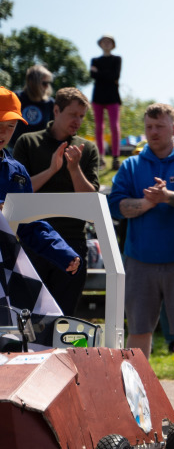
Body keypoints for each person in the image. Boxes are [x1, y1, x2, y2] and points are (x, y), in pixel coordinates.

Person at [107, 103, 174, 380]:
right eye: (149, 127)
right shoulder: (131, 165)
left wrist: (168, 197)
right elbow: (114, 205)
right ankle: (137, 400)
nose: (153, 132)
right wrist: (147, 202)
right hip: (140, 261)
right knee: (139, 331)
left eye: (160, 126)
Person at [13, 87, 99, 315]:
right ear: (56, 110)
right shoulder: (27, 142)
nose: (78, 121)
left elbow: (91, 201)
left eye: (82, 116)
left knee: (64, 318)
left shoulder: (86, 148)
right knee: (27, 317)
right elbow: (17, 193)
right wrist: (52, 169)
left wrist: (73, 169)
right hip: (32, 241)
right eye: (73, 114)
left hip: (72, 242)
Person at [0, 87, 81, 280]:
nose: (4, 132)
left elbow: (30, 222)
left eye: (11, 125)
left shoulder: (16, 171)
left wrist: (63, 253)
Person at [89, 34, 122, 169]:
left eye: (109, 41)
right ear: (100, 44)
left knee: (114, 126)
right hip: (98, 97)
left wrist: (100, 73)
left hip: (113, 97)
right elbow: (93, 75)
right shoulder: (95, 60)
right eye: (104, 41)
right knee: (99, 127)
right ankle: (100, 157)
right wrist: (106, 75)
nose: (106, 43)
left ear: (113, 44)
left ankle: (115, 157)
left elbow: (115, 75)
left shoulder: (117, 59)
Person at [11, 64, 54, 148]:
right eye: (44, 83)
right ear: (33, 83)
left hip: (39, 152)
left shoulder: (50, 104)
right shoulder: (16, 98)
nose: (47, 87)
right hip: (15, 150)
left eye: (48, 83)